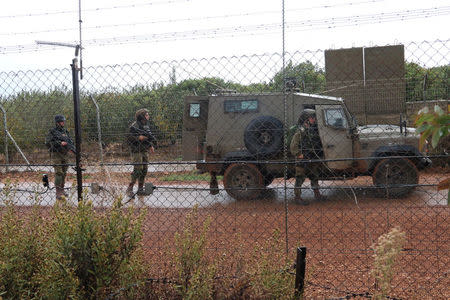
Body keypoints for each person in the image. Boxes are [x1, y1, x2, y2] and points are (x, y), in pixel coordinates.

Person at [290, 109, 324, 204]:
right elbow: (293, 145)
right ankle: (297, 197)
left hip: (311, 157)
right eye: (312, 118)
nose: (314, 119)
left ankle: (317, 194)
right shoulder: (301, 130)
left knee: (314, 175)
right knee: (300, 177)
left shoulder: (310, 129)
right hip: (303, 157)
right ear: (306, 119)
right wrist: (298, 154)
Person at [126, 109, 157, 198]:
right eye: (147, 115)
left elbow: (148, 137)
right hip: (136, 150)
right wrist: (138, 138)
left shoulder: (146, 126)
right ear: (142, 116)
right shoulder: (134, 126)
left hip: (144, 150)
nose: (148, 117)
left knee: (144, 169)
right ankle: (130, 189)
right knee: (138, 169)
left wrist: (150, 145)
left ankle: (140, 189)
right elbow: (128, 137)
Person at [45, 114, 75, 200]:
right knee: (59, 173)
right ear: (57, 123)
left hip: (65, 154)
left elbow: (70, 142)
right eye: (62, 121)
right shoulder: (52, 131)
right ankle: (58, 192)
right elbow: (47, 143)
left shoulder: (65, 131)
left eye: (64, 121)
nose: (63, 123)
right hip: (56, 154)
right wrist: (59, 143)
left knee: (64, 172)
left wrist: (71, 148)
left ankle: (62, 190)